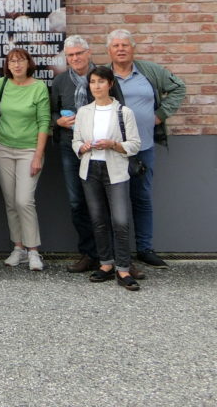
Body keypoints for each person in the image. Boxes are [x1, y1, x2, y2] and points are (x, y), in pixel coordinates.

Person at [107, 29, 186, 269]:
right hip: (113, 150)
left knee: (141, 199)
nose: (121, 49)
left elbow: (178, 88)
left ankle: (144, 248)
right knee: (113, 202)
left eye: (125, 45)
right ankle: (117, 252)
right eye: (116, 45)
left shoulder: (149, 72)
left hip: (144, 147)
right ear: (109, 51)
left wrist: (160, 115)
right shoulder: (102, 75)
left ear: (133, 48)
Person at [72, 66, 142, 291]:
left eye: (101, 81)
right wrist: (81, 147)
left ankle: (123, 267)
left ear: (110, 84)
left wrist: (113, 144)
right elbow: (75, 141)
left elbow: (135, 144)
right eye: (93, 82)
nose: (97, 86)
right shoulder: (84, 112)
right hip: (90, 169)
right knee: (98, 220)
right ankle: (105, 264)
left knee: (120, 221)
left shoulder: (124, 112)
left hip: (115, 169)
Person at [0, 47, 51, 271]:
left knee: (24, 200)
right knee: (11, 201)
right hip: (1, 148)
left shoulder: (39, 87)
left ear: (28, 63)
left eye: (21, 61)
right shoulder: (2, 84)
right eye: (12, 61)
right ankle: (18, 248)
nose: (17, 65)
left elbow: (44, 122)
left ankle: (33, 251)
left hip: (29, 150)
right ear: (7, 65)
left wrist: (38, 155)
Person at [50, 35, 101, 273]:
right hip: (70, 148)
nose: (75, 58)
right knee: (76, 201)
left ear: (88, 53)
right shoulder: (60, 81)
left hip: (100, 147)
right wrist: (58, 121)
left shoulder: (102, 77)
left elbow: (117, 106)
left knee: (103, 200)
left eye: (79, 53)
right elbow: (49, 113)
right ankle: (89, 254)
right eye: (70, 55)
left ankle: (110, 255)